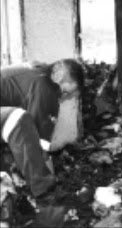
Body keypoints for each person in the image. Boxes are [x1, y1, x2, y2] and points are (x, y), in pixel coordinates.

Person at [1, 58, 85, 226]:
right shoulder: (43, 87)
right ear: (61, 79)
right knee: (17, 120)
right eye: (69, 89)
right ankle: (44, 195)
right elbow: (38, 138)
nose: (67, 95)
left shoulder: (41, 73)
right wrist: (49, 178)